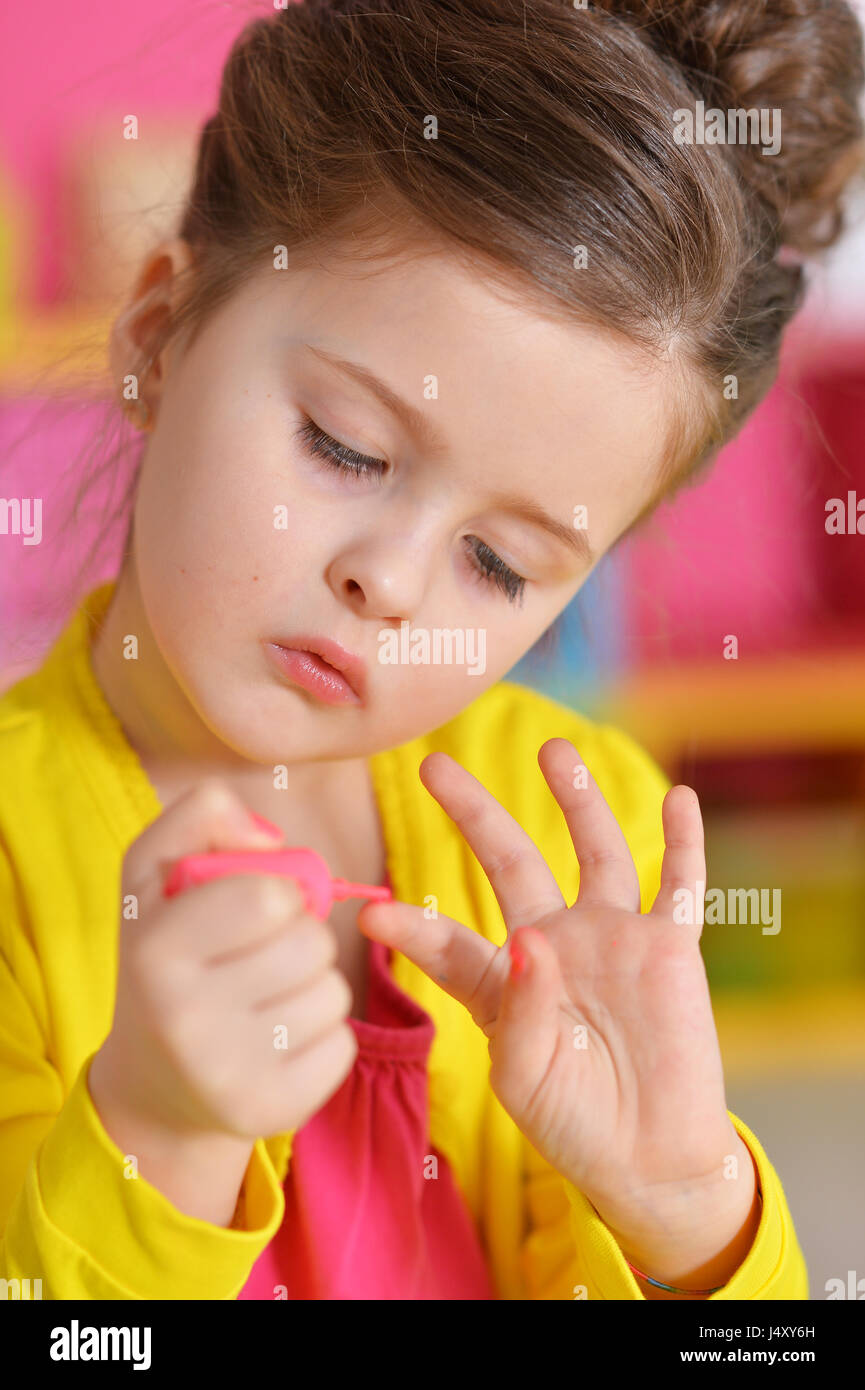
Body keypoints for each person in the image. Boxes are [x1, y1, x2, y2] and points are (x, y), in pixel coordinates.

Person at [1, 0, 862, 1300]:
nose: (388, 583)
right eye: (344, 446)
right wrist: (155, 1138)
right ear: (157, 337)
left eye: (501, 563)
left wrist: (685, 1211)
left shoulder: (578, 840)